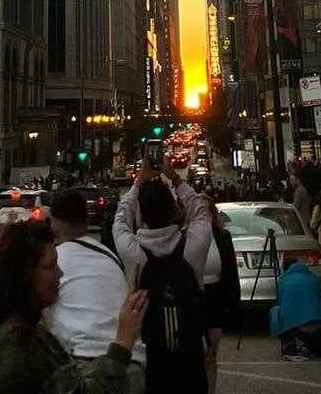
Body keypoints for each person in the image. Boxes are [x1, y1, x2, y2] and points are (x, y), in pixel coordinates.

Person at [0, 220, 147, 392]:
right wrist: (123, 342)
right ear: (24, 275)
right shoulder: (21, 346)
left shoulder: (11, 327)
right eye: (50, 266)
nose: (60, 273)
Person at [114, 161, 212, 392]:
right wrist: (176, 179)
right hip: (190, 361)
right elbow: (201, 212)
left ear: (141, 215)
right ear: (174, 211)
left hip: (151, 361)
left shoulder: (133, 252)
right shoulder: (192, 247)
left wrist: (138, 181)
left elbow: (121, 219)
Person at [48, 187, 145, 394]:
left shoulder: (52, 263)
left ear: (53, 223)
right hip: (133, 363)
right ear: (86, 221)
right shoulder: (109, 256)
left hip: (85, 365)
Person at [269, 253, 321, 362]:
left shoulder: (283, 280)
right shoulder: (313, 278)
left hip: (296, 328)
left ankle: (289, 344)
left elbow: (281, 305)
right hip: (319, 325)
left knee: (275, 311)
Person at [201, 198, 241, 394]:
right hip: (194, 300)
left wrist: (233, 303)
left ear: (213, 215)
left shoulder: (223, 236)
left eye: (206, 212)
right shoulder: (184, 237)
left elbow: (231, 270)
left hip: (216, 298)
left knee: (211, 354)